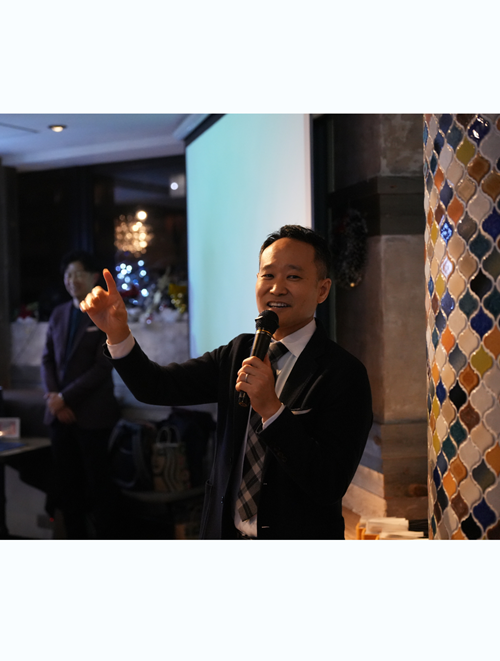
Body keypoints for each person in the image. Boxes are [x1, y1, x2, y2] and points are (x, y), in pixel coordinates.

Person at [80, 226, 373, 540]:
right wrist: (118, 334)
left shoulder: (344, 373)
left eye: (293, 277)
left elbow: (328, 483)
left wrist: (272, 411)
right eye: (268, 275)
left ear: (322, 290)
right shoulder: (239, 352)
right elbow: (156, 386)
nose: (277, 288)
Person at [41, 250, 120, 538]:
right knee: (67, 489)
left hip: (93, 417)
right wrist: (54, 398)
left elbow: (103, 366)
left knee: (99, 489)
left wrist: (65, 398)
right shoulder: (59, 313)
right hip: (60, 417)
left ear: (93, 276)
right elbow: (47, 359)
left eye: (77, 274)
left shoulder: (106, 313)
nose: (71, 280)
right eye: (68, 275)